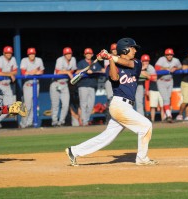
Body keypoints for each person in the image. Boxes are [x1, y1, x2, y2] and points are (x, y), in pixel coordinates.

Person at [65, 38, 158, 166]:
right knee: (146, 125)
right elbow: (114, 77)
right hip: (119, 105)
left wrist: (110, 56)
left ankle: (74, 151)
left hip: (127, 106)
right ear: (125, 49)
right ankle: (142, 158)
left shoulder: (136, 63)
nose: (135, 50)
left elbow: (126, 63)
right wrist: (110, 59)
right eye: (133, 48)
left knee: (106, 137)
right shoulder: (111, 66)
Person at [0, 46, 18, 128]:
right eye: (7, 53)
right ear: (4, 53)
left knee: (9, 107)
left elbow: (16, 71)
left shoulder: (13, 59)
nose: (9, 54)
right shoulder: (0, 59)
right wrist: (10, 74)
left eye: (10, 53)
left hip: (7, 86)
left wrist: (12, 73)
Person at [77, 48, 105, 126]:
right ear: (84, 55)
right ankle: (84, 121)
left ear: (92, 54)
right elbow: (76, 71)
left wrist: (103, 70)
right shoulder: (81, 63)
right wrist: (85, 70)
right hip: (83, 86)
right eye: (87, 54)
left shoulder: (95, 63)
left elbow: (101, 69)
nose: (88, 55)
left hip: (92, 86)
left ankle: (86, 120)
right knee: (83, 104)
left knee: (91, 105)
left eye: (89, 53)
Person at [50, 47, 77, 127]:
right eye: (67, 54)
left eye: (70, 53)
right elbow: (58, 71)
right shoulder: (60, 60)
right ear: (64, 55)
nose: (69, 55)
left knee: (65, 104)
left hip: (64, 84)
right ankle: (54, 122)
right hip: (56, 83)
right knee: (55, 105)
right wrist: (68, 72)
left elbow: (74, 70)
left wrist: (69, 72)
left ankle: (61, 122)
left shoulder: (73, 59)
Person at [19, 48, 45, 128]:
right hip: (28, 85)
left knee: (34, 105)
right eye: (30, 54)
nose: (32, 55)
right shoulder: (24, 60)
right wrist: (34, 72)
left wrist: (30, 72)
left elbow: (42, 71)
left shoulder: (39, 60)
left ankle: (29, 123)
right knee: (27, 106)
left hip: (36, 85)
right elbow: (23, 73)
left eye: (33, 54)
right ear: (28, 55)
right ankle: (23, 124)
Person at [155, 48, 182, 122]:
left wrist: (176, 67)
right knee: (166, 98)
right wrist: (165, 68)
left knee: (168, 98)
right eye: (168, 55)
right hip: (161, 81)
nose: (169, 56)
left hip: (170, 81)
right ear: (165, 55)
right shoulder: (161, 59)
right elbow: (156, 68)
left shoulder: (176, 60)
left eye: (171, 54)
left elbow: (181, 66)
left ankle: (166, 115)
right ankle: (169, 115)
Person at [143, 54, 165, 122]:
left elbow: (154, 78)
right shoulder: (140, 67)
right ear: (142, 61)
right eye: (144, 61)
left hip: (161, 88)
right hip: (153, 88)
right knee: (153, 106)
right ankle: (152, 120)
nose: (146, 62)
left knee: (162, 106)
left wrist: (149, 76)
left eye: (147, 61)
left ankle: (163, 119)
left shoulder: (151, 67)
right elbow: (148, 80)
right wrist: (147, 90)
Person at [104, 43, 117, 123]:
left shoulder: (121, 57)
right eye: (113, 49)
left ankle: (117, 118)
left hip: (119, 81)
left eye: (116, 49)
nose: (114, 50)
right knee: (110, 100)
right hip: (109, 81)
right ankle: (108, 119)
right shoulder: (107, 58)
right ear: (111, 50)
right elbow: (109, 70)